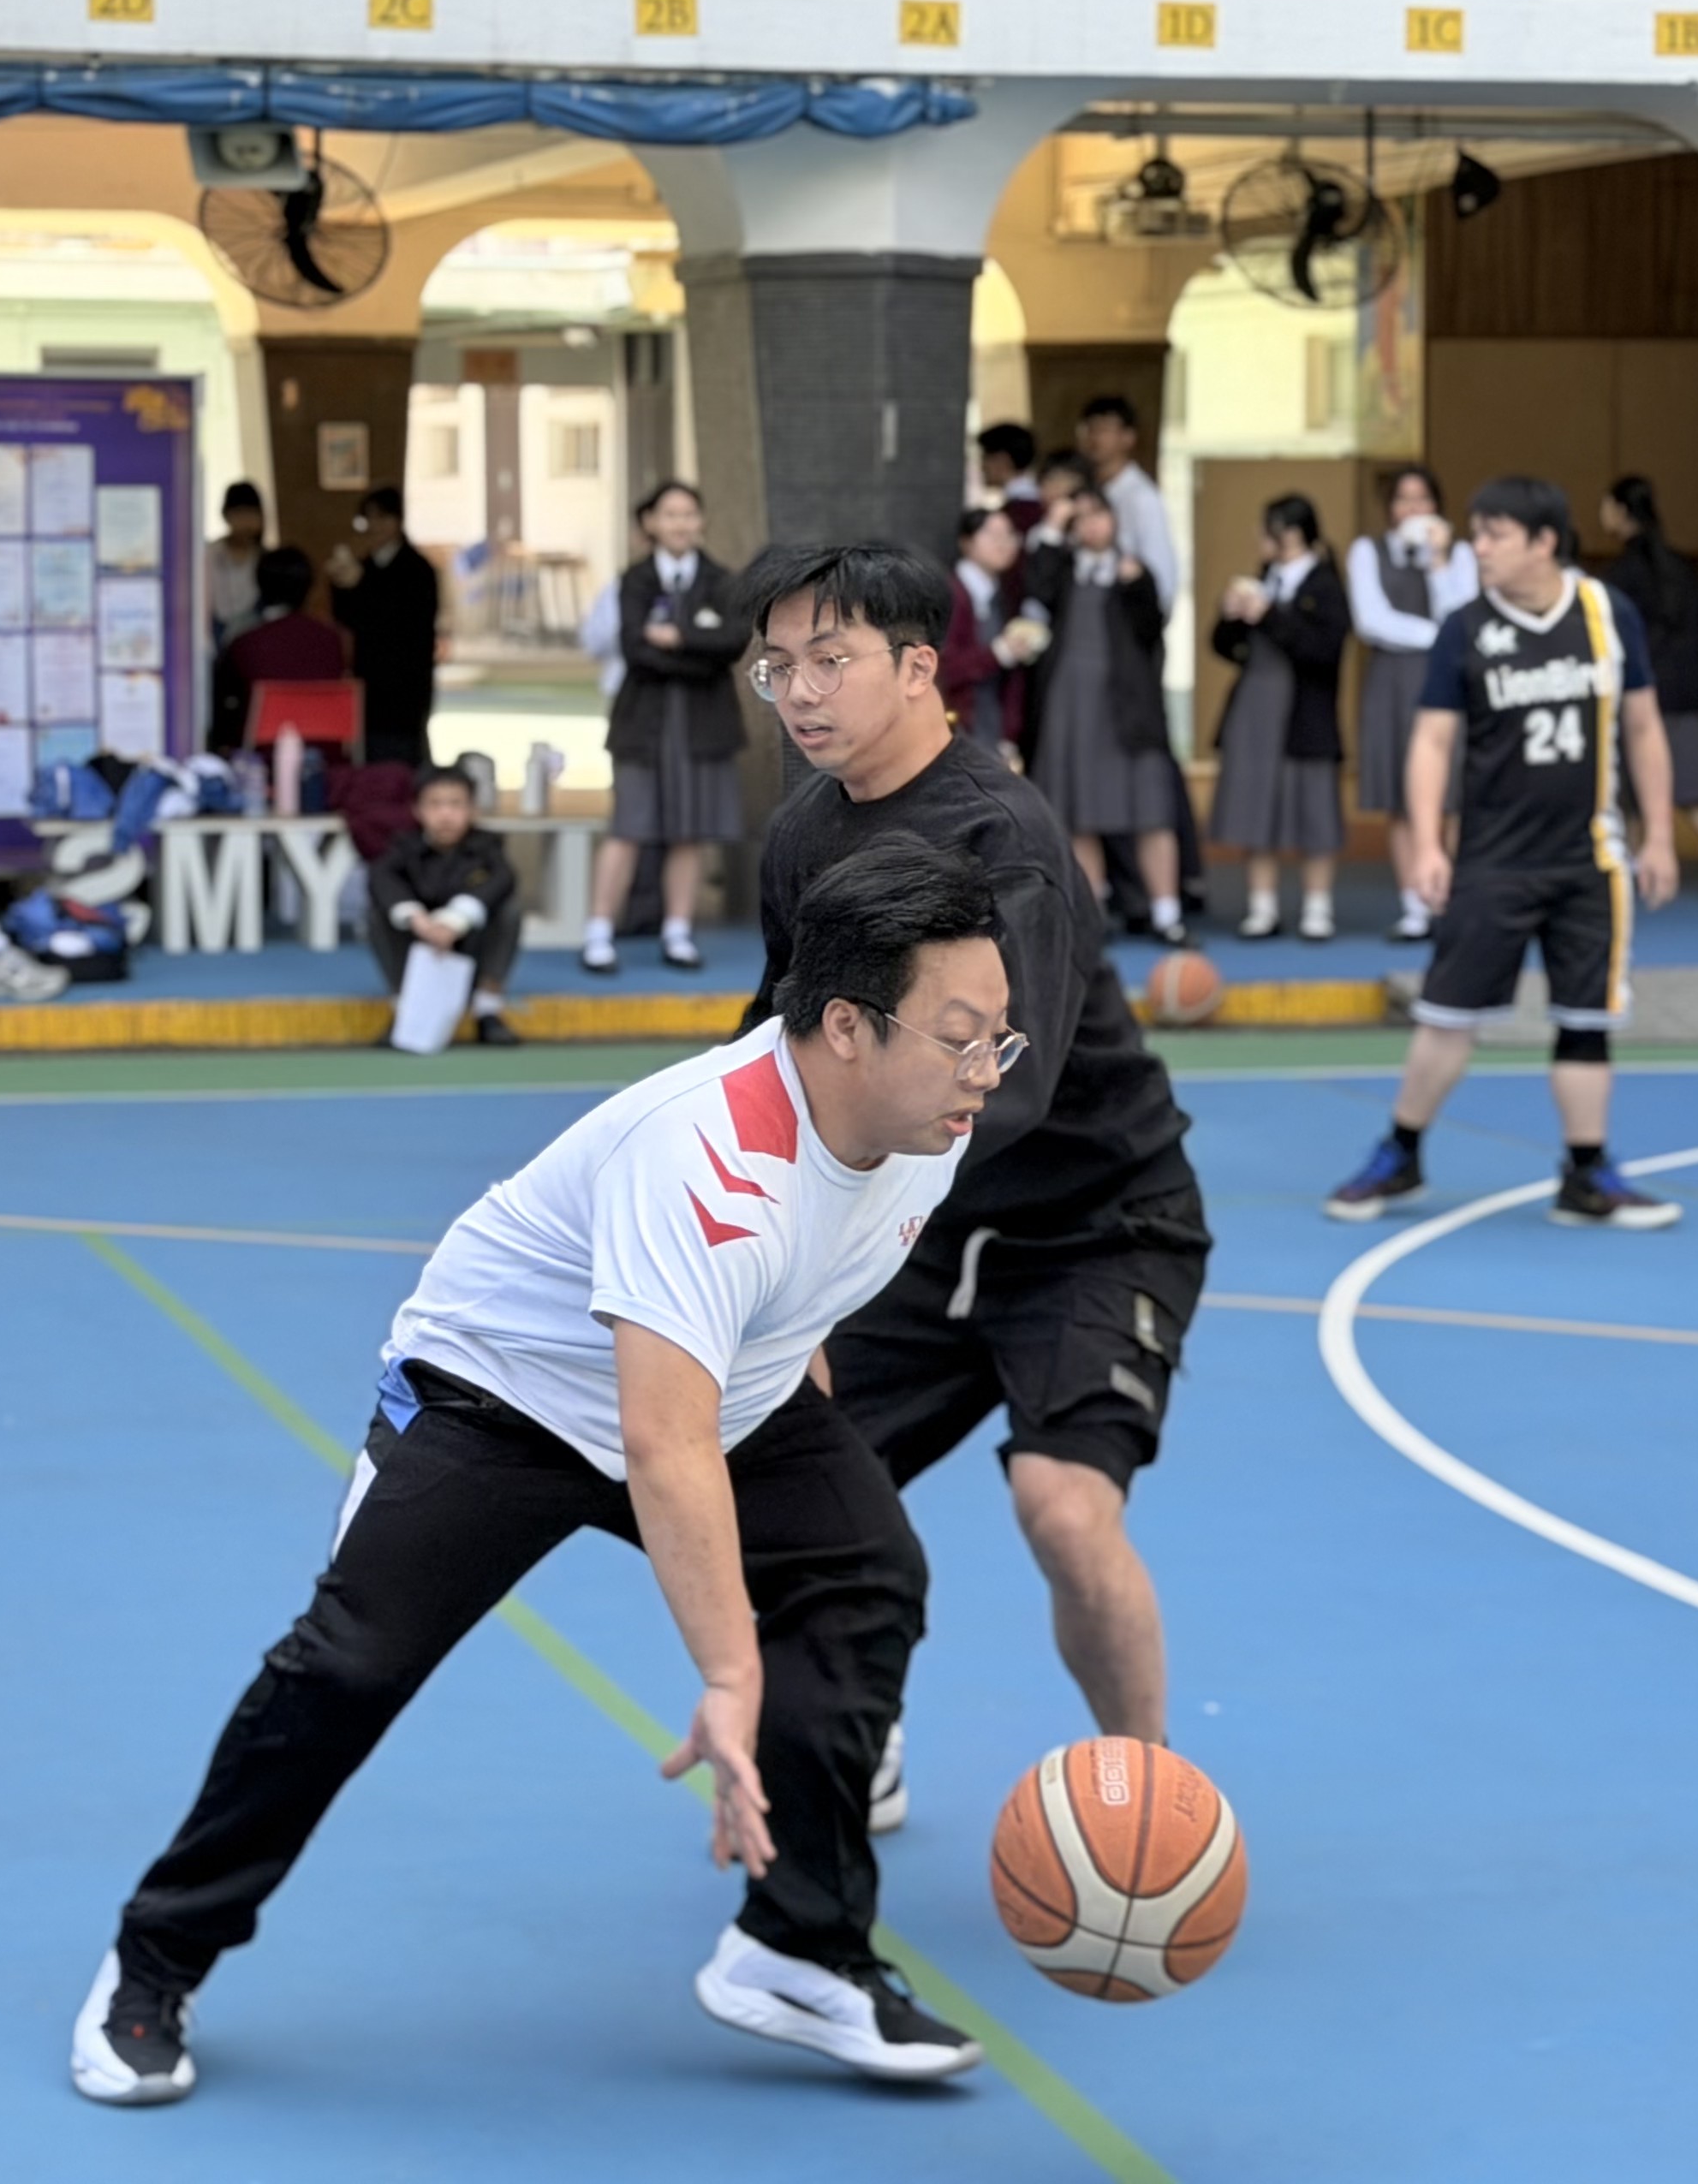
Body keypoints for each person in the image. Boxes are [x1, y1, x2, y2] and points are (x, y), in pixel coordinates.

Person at [75, 837, 1014, 2106]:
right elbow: (663, 1444)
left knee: (868, 1571)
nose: (985, 1070)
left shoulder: (928, 1124)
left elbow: (802, 1296)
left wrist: (821, 1474)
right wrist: (731, 1675)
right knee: (348, 1666)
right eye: (960, 1039)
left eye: (997, 1038)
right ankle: (155, 1959)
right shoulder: (706, 1158)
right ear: (846, 1026)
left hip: (723, 1390)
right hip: (502, 1397)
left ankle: (799, 1946)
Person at [740, 543, 1208, 1762]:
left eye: (828, 661)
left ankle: (1150, 1802)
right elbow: (771, 1048)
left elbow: (1009, 1086)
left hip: (1093, 1223)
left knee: (1063, 1509)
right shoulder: (801, 838)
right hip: (920, 1231)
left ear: (916, 669)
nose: (799, 693)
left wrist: (828, 1197)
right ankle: (857, 1738)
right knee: (793, 1483)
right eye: (777, 667)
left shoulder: (1004, 839)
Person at [1326, 475, 1683, 1233]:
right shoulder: (1465, 627)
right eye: (1477, 533)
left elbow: (1644, 726)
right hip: (1493, 858)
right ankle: (1401, 1152)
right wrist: (1430, 843)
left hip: (1590, 856)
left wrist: (1659, 833)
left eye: (1495, 535)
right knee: (1446, 1016)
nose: (1478, 548)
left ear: (1544, 542)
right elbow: (1432, 740)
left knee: (1586, 1021)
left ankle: (1586, 1173)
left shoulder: (1607, 613)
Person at [586, 479, 748, 976]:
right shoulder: (635, 579)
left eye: (688, 514)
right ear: (652, 523)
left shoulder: (722, 580)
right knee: (628, 826)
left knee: (689, 830)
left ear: (701, 521)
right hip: (643, 722)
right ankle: (599, 932)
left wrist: (677, 638)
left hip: (702, 723)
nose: (680, 523)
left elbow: (733, 643)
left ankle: (677, 931)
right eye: (670, 514)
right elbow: (634, 649)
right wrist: (698, 652)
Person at [1022, 479, 1193, 946]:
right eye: (1080, 519)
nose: (1092, 525)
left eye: (1098, 514)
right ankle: (1092, 914)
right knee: (1081, 813)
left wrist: (1136, 584)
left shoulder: (1134, 571)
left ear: (1115, 519)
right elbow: (1035, 587)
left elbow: (1152, 627)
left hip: (1129, 707)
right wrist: (1052, 528)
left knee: (1151, 812)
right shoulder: (1062, 569)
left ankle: (1167, 914)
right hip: (1070, 703)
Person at [1208, 491, 1355, 941]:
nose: (1260, 537)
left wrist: (1268, 615)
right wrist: (1231, 617)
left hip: (1305, 713)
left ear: (1291, 533)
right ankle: (1262, 906)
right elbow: (1223, 647)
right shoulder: (1262, 578)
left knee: (1315, 810)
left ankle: (1318, 908)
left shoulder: (1325, 585)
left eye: (1269, 528)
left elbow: (1324, 650)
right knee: (1256, 808)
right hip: (1255, 709)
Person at [1346, 461, 1481, 943]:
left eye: (1423, 499)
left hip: (1452, 682)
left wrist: (1439, 563)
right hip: (1393, 680)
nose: (1413, 509)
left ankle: (1457, 901)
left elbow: (1464, 614)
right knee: (1401, 799)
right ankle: (1415, 906)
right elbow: (1372, 620)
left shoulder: (1460, 554)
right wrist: (1437, 637)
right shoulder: (1368, 551)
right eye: (1404, 500)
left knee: (1455, 797)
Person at [1595, 476, 1698, 896]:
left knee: (1642, 776)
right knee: (1669, 777)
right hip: (1683, 685)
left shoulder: (1620, 576)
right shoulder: (1679, 567)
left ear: (1621, 511)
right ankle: (1644, 859)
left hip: (1640, 688)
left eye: (1607, 506)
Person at [370, 765, 524, 1047]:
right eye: (435, 804)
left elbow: (503, 879)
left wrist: (456, 920)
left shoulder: (488, 845)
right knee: (378, 914)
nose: (445, 814)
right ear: (417, 810)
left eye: (455, 804)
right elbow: (381, 877)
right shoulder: (403, 845)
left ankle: (487, 1009)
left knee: (508, 911)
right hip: (419, 947)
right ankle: (405, 1007)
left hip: (470, 947)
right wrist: (415, 918)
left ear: (472, 809)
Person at [325, 483, 438, 767]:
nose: (375, 525)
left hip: (406, 682)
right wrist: (339, 585)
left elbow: (404, 623)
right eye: (369, 518)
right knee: (372, 755)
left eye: (382, 517)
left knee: (404, 755)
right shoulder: (364, 566)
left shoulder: (417, 569)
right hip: (370, 679)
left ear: (398, 520)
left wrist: (360, 585)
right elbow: (348, 618)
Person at [208, 543, 346, 756]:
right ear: (309, 587)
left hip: (263, 757)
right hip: (326, 755)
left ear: (259, 584)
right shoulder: (331, 640)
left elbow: (222, 710)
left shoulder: (246, 643)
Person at [938, 505, 1040, 751]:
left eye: (1010, 535)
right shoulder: (951, 594)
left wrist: (1009, 736)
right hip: (955, 727)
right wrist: (997, 654)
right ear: (966, 542)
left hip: (991, 728)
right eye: (993, 535)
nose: (1004, 543)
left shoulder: (1004, 596)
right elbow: (942, 669)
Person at [1075, 394, 1177, 593]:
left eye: (1104, 430)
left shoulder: (1142, 497)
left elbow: (1161, 572)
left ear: (1128, 438)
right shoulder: (1087, 492)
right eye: (1090, 429)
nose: (1094, 438)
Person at [206, 478, 268, 652]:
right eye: (240, 514)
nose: (246, 522)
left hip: (254, 643)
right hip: (214, 639)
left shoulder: (265, 559)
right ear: (226, 515)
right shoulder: (208, 554)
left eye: (252, 514)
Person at [978, 421, 1047, 547]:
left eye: (985, 458)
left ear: (1002, 460)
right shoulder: (1038, 503)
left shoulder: (1020, 511)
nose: (982, 467)